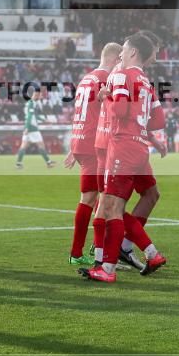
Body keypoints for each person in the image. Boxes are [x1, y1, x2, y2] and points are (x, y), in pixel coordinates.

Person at [80, 34, 167, 283]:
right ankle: (132, 254)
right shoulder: (146, 81)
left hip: (120, 146)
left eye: (125, 48)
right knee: (122, 203)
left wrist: (107, 94)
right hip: (140, 147)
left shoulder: (121, 75)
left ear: (132, 53)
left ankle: (107, 268)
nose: (121, 53)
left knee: (111, 207)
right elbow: (159, 120)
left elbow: (119, 110)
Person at [63, 42, 121, 266]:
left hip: (81, 139)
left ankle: (97, 248)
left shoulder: (86, 78)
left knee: (98, 197)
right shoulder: (105, 81)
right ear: (116, 60)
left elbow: (81, 111)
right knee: (92, 197)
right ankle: (79, 253)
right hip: (92, 144)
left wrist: (73, 144)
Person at [14, 89, 56, 169]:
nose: (41, 97)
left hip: (28, 127)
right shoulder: (31, 103)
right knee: (41, 145)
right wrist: (27, 128)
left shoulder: (30, 103)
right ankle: (48, 163)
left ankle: (18, 164)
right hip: (32, 128)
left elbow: (35, 115)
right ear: (36, 95)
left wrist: (44, 120)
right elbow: (30, 116)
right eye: (40, 95)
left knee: (23, 146)